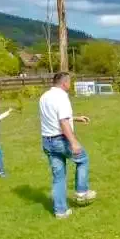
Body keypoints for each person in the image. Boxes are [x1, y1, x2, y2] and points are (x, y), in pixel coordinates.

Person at [39, 72, 96, 219]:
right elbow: (63, 122)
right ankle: (82, 191)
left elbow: (54, 117)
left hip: (47, 141)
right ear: (64, 83)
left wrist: (76, 118)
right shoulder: (62, 97)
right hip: (60, 140)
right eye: (69, 82)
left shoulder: (44, 97)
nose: (70, 85)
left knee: (58, 177)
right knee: (83, 159)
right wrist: (74, 142)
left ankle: (60, 212)